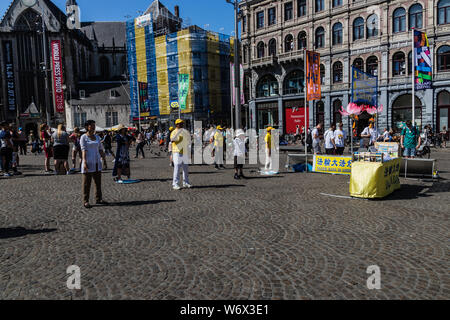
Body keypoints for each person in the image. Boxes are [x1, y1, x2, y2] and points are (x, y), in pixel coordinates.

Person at [80, 120, 108, 209]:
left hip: (97, 162)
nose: (93, 127)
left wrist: (104, 160)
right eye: (91, 125)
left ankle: (98, 198)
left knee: (98, 183)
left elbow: (100, 149)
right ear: (87, 127)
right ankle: (86, 200)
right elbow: (83, 150)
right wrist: (84, 162)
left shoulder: (97, 137)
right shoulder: (83, 137)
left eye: (94, 125)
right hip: (88, 162)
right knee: (86, 183)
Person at [171, 119, 191, 190]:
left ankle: (186, 182)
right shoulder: (174, 132)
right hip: (177, 151)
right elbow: (172, 139)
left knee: (185, 168)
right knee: (177, 167)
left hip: (184, 151)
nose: (181, 124)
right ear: (176, 125)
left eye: (182, 123)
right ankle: (175, 183)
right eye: (180, 123)